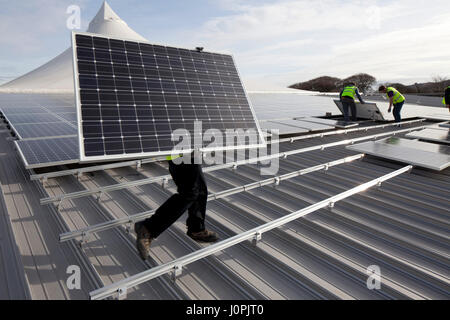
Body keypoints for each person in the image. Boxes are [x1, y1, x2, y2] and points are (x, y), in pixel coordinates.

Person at [134, 153, 219, 261]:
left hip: (191, 148)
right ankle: (148, 229)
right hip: (177, 152)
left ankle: (196, 229)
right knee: (189, 192)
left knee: (200, 190)